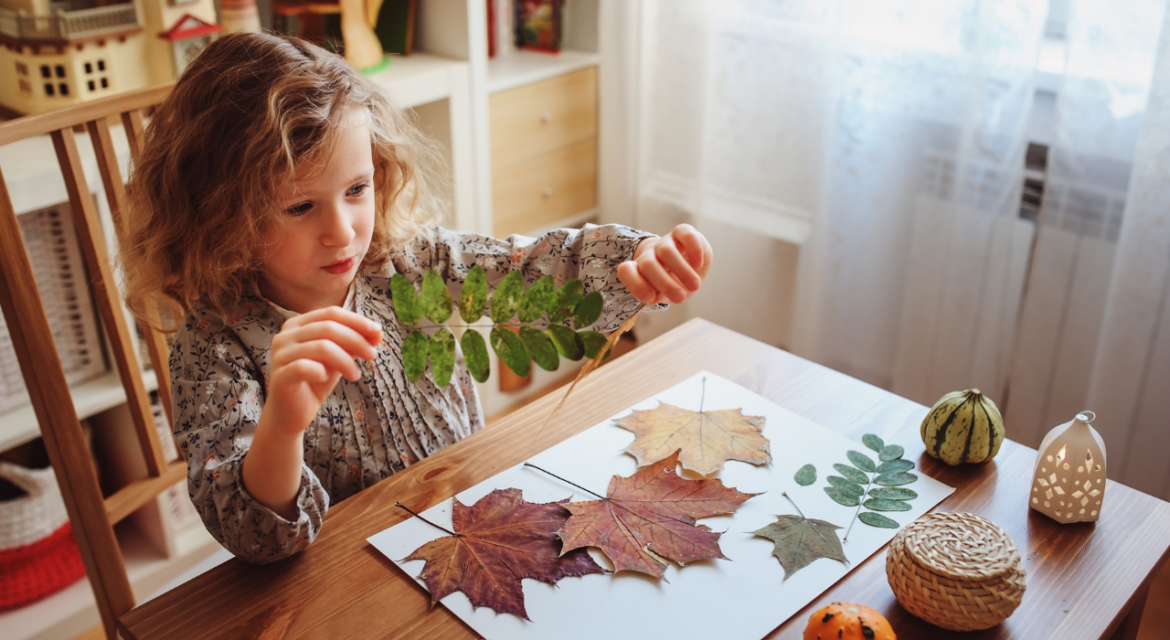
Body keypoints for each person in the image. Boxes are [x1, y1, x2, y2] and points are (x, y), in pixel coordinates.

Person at [120, 33, 712, 564]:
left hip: (471, 517)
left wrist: (637, 258)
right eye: (300, 207)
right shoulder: (214, 342)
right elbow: (255, 538)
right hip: (348, 577)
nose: (343, 230)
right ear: (221, 214)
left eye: (357, 188)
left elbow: (525, 273)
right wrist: (282, 426)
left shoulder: (405, 260)